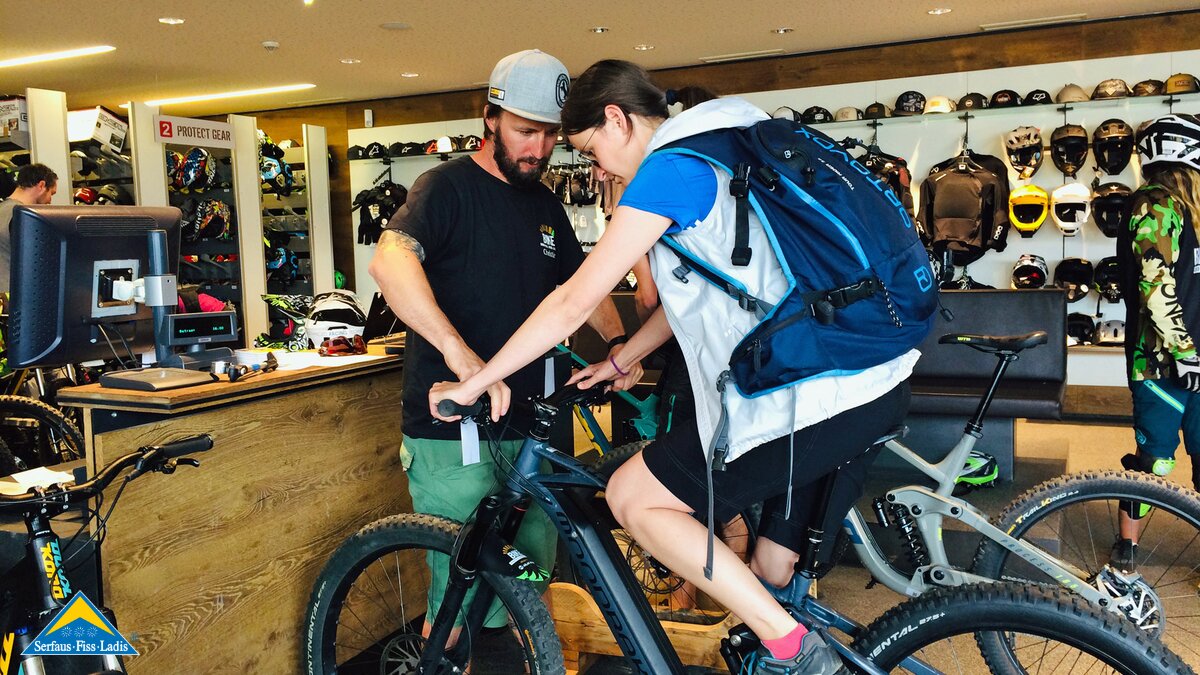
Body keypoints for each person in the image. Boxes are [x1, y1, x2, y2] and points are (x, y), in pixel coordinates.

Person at [429, 60, 915, 674]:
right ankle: (785, 639)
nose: (598, 170)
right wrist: (622, 357)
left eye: (590, 150)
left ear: (616, 118)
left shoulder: (671, 170)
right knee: (766, 567)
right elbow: (715, 292)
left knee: (635, 497)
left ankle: (795, 651)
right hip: (864, 373)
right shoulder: (723, 141)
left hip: (823, 393)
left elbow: (572, 300)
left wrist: (473, 380)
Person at [368, 49, 628, 644]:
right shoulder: (446, 188)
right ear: (490, 117)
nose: (538, 148)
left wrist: (617, 342)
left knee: (527, 581)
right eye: (524, 131)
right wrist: (464, 360)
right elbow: (389, 261)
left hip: (532, 427)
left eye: (550, 134)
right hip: (453, 426)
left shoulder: (542, 202)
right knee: (456, 585)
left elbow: (576, 283)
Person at [1113, 113, 1200, 570]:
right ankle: (1125, 557)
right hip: (1164, 363)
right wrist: (1185, 350)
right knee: (1154, 465)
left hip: (1194, 359)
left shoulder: (1192, 210)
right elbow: (1155, 282)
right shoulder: (1154, 204)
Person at [0, 163, 57, 292]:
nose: (50, 200)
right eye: (51, 193)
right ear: (42, 186)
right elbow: (34, 261)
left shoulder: (3, 209)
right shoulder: (24, 218)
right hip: (14, 297)